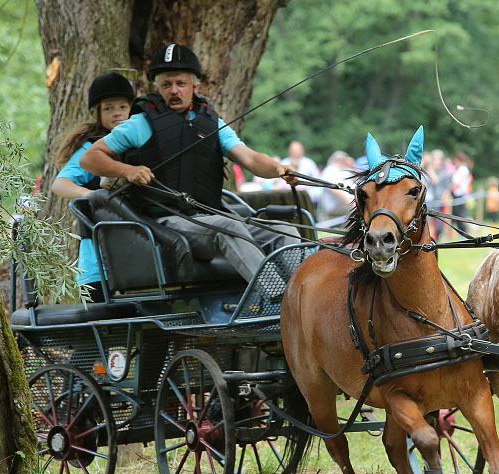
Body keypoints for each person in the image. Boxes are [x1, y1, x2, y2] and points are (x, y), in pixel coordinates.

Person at [80, 43, 299, 285]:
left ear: (196, 87)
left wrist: (278, 170)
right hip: (165, 223)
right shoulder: (140, 123)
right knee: (228, 227)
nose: (174, 90)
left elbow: (250, 158)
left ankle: (301, 296)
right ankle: (277, 300)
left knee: (284, 230)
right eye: (166, 84)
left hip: (209, 216)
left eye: (180, 84)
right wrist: (128, 170)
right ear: (157, 88)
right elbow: (89, 157)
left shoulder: (211, 123)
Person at [52, 71, 135, 301]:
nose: (117, 112)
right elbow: (60, 184)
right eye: (108, 108)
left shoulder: (139, 144)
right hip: (98, 257)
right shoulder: (92, 148)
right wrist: (91, 194)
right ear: (98, 113)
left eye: (122, 106)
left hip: (134, 252)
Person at [317, 150, 354, 220]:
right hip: (335, 206)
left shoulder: (345, 170)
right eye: (339, 160)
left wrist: (353, 166)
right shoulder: (329, 171)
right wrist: (352, 203)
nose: (341, 162)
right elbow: (334, 189)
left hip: (346, 203)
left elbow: (360, 181)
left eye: (343, 160)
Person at [282, 140, 322, 205]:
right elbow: (278, 182)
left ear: (302, 151)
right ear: (289, 151)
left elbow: (317, 180)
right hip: (287, 196)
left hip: (307, 196)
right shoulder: (283, 163)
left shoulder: (309, 163)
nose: (295, 152)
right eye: (293, 150)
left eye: (297, 150)